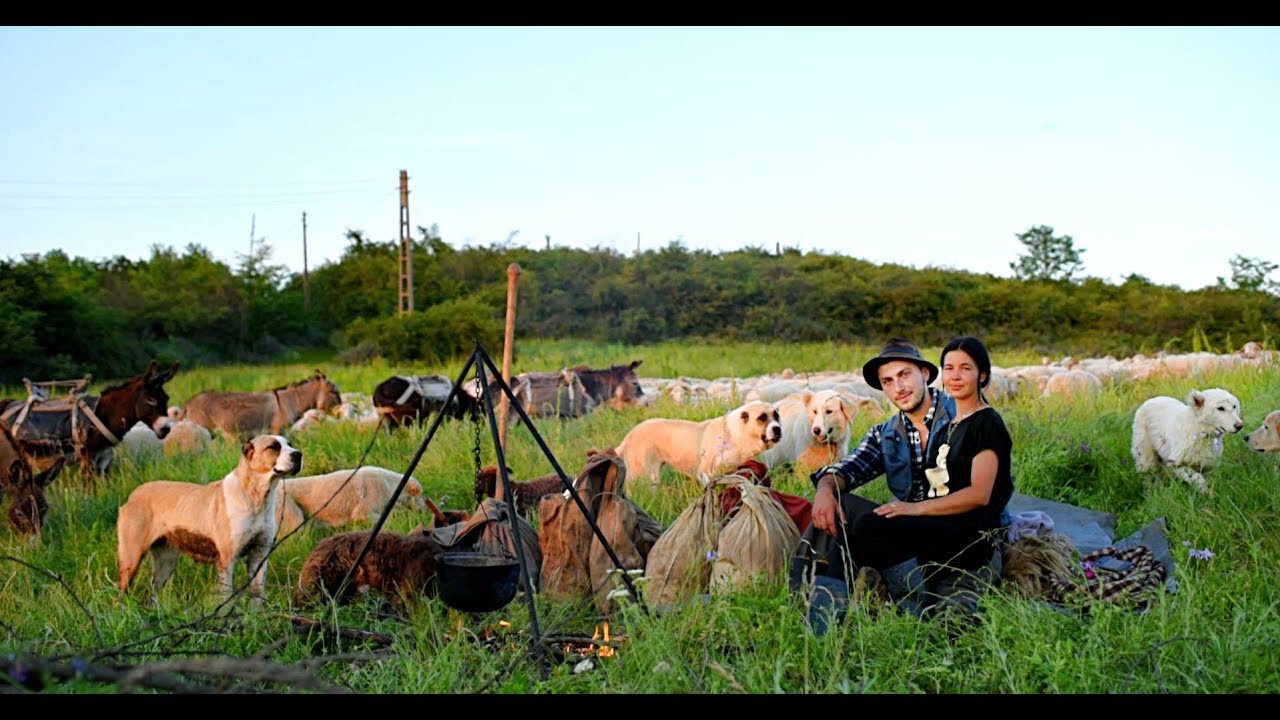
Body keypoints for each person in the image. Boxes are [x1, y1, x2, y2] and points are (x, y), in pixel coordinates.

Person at [801, 336, 1013, 626]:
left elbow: (981, 492)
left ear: (925, 374)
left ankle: (911, 604)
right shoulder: (886, 433)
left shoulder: (961, 413)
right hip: (912, 531)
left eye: (904, 375)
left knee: (955, 617)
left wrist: (912, 509)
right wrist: (825, 489)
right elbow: (849, 468)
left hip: (963, 531)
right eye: (888, 381)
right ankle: (815, 611)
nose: (898, 388)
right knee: (838, 509)